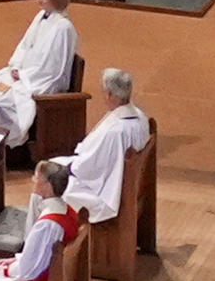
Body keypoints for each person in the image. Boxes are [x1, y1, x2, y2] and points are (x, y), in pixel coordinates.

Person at [0, 0, 82, 138]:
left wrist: (23, 75)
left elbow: (53, 67)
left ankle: (11, 149)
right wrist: (16, 66)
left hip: (41, 81)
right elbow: (25, 45)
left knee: (2, 103)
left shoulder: (63, 27)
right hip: (25, 74)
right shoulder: (41, 16)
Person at [65, 70, 154, 230]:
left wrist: (69, 168)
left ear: (111, 95)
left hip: (111, 193)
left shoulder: (115, 131)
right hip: (131, 185)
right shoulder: (141, 117)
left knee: (48, 182)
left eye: (105, 93)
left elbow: (90, 168)